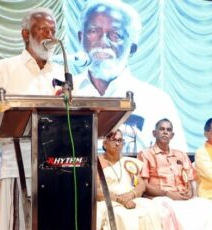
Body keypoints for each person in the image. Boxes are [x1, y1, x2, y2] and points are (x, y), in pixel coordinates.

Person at [0, 7, 64, 230]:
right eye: (42, 29)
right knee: (17, 227)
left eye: (53, 30)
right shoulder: (4, 67)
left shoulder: (61, 71)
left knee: (51, 227)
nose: (49, 34)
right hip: (18, 157)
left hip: (55, 162)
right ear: (25, 34)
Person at [73, 0, 187, 153]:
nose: (103, 42)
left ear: (132, 49)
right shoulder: (63, 93)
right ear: (80, 38)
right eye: (94, 31)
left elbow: (176, 160)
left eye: (115, 35)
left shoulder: (158, 101)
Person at [137, 118, 212, 230]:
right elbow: (144, 185)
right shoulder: (145, 154)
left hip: (182, 197)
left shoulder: (180, 155)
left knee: (211, 208)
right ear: (154, 133)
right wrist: (168, 194)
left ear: (172, 135)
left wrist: (189, 192)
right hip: (159, 198)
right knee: (174, 213)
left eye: (168, 130)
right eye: (162, 129)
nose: (165, 132)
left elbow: (191, 179)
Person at [97, 129, 169, 230]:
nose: (117, 143)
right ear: (104, 144)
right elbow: (96, 191)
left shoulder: (128, 162)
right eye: (113, 140)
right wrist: (121, 199)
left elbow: (141, 185)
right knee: (123, 217)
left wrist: (130, 195)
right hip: (108, 200)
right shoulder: (97, 162)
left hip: (130, 198)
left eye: (120, 140)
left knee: (150, 209)